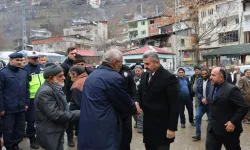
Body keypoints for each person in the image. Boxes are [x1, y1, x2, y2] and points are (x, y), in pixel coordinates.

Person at [78, 49, 141, 150]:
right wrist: (135, 108)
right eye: (121, 62)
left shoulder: (92, 76)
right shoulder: (113, 77)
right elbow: (124, 102)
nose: (122, 65)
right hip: (105, 127)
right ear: (114, 63)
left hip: (90, 125)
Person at [136, 50, 180, 150]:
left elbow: (174, 104)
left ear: (157, 62)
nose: (145, 67)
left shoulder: (169, 78)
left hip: (162, 127)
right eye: (144, 64)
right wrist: (137, 103)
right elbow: (139, 92)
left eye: (147, 64)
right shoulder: (145, 75)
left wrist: (172, 128)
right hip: (148, 126)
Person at [35, 63, 80, 150]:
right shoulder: (45, 92)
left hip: (55, 130)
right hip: (50, 133)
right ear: (51, 78)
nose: (64, 78)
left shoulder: (54, 87)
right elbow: (55, 115)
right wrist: (79, 113)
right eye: (60, 76)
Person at [206, 67, 248, 150]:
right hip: (213, 129)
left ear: (221, 77)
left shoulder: (231, 89)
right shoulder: (212, 87)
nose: (210, 77)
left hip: (228, 130)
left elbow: (244, 107)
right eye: (210, 75)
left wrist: (233, 122)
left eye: (213, 75)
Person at [0, 52, 29, 150]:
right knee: (8, 130)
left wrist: (26, 103)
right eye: (17, 60)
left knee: (20, 129)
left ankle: (16, 145)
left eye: (21, 60)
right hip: (8, 109)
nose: (20, 62)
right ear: (10, 60)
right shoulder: (3, 73)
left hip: (21, 107)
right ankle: (9, 147)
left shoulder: (24, 73)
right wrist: (1, 108)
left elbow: (27, 89)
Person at [65, 55, 92, 147]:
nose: (68, 77)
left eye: (70, 75)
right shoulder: (89, 79)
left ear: (74, 74)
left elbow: (80, 105)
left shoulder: (76, 85)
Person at [23, 51, 45, 149]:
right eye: (33, 58)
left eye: (37, 58)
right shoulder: (25, 70)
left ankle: (41, 137)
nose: (36, 60)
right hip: (31, 99)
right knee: (31, 120)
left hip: (43, 97)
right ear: (28, 59)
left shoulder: (41, 67)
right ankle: (32, 139)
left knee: (43, 118)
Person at [119, 64, 136, 150]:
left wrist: (133, 104)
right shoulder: (108, 73)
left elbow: (132, 90)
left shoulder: (126, 71)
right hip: (113, 110)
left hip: (126, 108)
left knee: (127, 134)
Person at [192, 68, 211, 141]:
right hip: (201, 103)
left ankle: (211, 135)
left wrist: (208, 99)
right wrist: (202, 98)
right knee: (197, 117)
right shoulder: (199, 80)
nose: (204, 75)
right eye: (202, 74)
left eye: (205, 73)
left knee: (211, 120)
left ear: (208, 73)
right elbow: (196, 91)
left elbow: (213, 91)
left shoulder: (211, 81)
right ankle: (198, 135)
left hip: (210, 104)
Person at [133, 65, 144, 133]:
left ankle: (140, 127)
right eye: (136, 71)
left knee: (140, 113)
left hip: (141, 97)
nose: (137, 72)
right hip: (133, 97)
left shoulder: (144, 78)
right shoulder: (132, 79)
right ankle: (137, 122)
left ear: (141, 71)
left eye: (138, 71)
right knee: (134, 113)